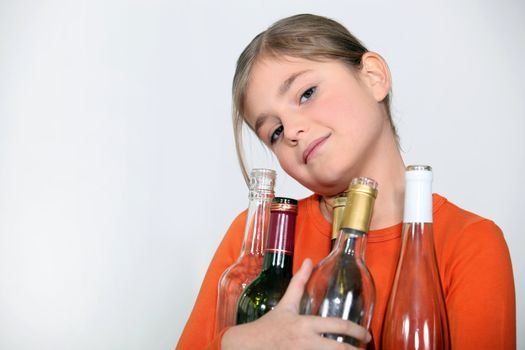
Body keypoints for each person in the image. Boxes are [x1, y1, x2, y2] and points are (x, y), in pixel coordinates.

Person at [177, 14, 515, 349]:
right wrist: (244, 343)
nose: (292, 130)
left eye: (307, 93)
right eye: (275, 132)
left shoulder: (469, 242)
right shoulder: (259, 234)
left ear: (373, 76)